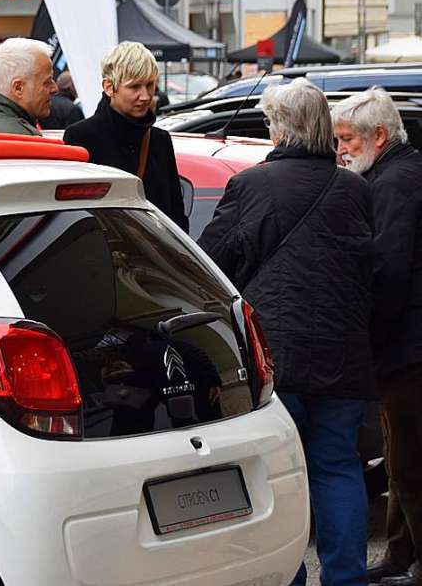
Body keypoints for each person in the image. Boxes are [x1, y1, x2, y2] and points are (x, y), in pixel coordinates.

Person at [198, 78, 375, 586]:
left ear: (283, 129)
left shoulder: (251, 186)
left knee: (281, 475)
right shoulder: (356, 190)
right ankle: (346, 578)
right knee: (339, 467)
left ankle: (289, 576)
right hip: (344, 354)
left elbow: (213, 263)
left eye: (272, 122)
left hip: (279, 355)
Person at [332, 88, 422, 586]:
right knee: (400, 459)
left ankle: (409, 557)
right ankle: (399, 553)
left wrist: (366, 337)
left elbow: (387, 273)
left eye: (346, 139)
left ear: (379, 137)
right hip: (403, 345)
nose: (341, 149)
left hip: (408, 349)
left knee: (409, 464)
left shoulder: (394, 183)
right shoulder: (398, 173)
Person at [63, 42, 188, 231]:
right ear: (109, 87)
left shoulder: (159, 140)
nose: (145, 96)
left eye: (150, 85)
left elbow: (175, 214)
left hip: (154, 256)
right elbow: (74, 215)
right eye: (135, 87)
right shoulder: (81, 136)